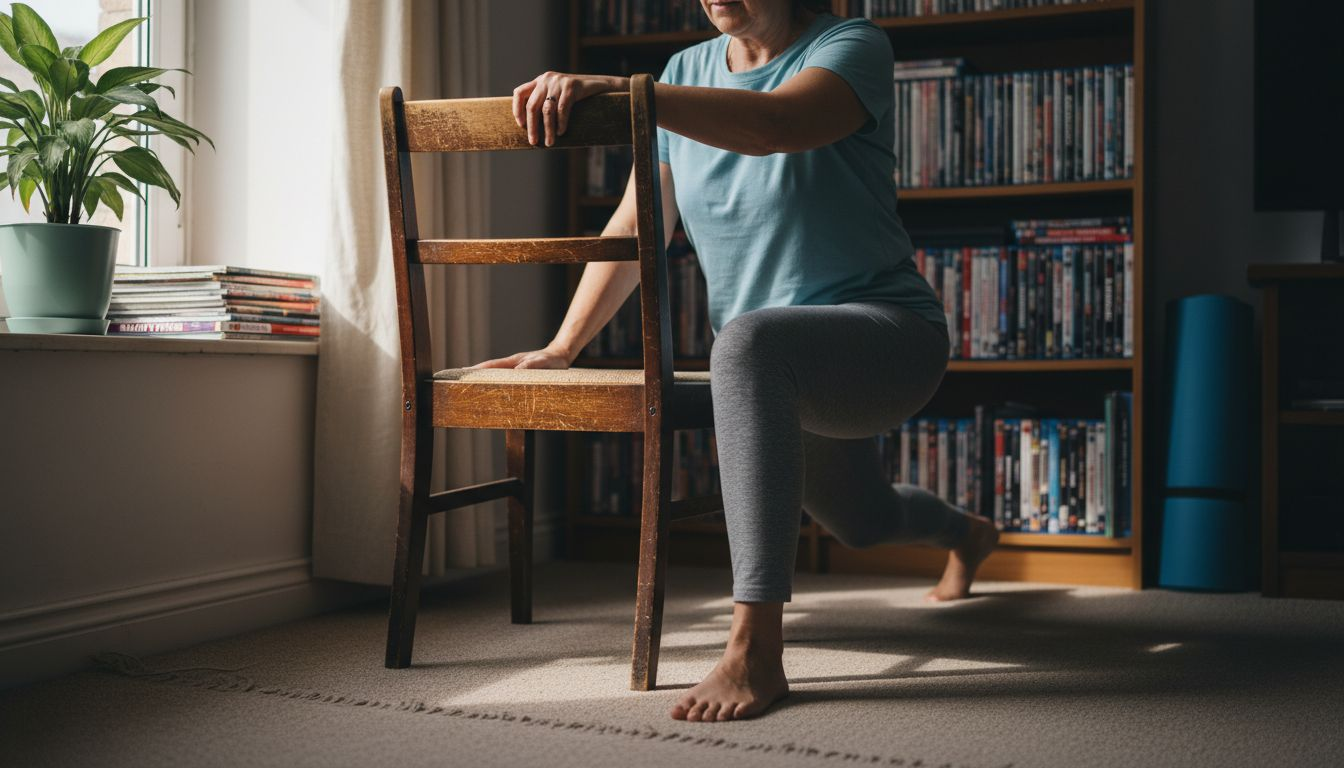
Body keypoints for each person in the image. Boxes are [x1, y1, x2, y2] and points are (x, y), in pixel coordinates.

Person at [472, 0, 1000, 722]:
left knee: (745, 343)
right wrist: (563, 348)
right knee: (865, 521)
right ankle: (965, 534)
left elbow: (772, 126)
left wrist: (628, 93)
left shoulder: (852, 45)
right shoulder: (681, 72)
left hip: (887, 337)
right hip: (773, 368)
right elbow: (636, 224)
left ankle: (754, 651)